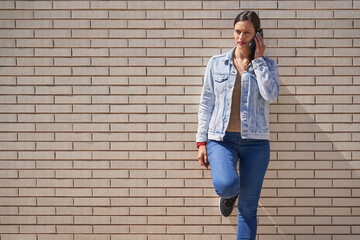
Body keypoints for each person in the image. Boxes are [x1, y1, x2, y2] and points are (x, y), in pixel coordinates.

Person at [196, 10, 279, 240]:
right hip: (222, 140)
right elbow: (206, 104)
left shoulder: (268, 65)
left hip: (256, 143)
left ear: (257, 35)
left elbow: (271, 95)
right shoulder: (217, 64)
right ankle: (230, 195)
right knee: (227, 184)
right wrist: (201, 141)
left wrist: (259, 60)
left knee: (248, 209)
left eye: (247, 32)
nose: (241, 37)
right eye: (237, 31)